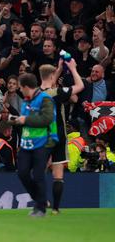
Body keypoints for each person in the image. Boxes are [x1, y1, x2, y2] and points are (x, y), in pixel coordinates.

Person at [38, 58, 83, 214]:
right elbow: (80, 87)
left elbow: (48, 84)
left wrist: (57, 69)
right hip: (59, 137)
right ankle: (56, 209)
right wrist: (73, 68)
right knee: (58, 175)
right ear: (52, 77)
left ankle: (43, 201)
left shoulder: (35, 94)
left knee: (39, 172)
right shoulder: (57, 93)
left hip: (42, 137)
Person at [10, 73, 58, 218]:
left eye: (20, 87)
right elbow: (26, 120)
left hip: (44, 141)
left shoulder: (45, 99)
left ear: (25, 87)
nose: (20, 90)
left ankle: (41, 208)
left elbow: (47, 119)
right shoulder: (26, 101)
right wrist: (17, 120)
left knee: (38, 175)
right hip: (27, 143)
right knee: (22, 173)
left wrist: (25, 120)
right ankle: (40, 201)